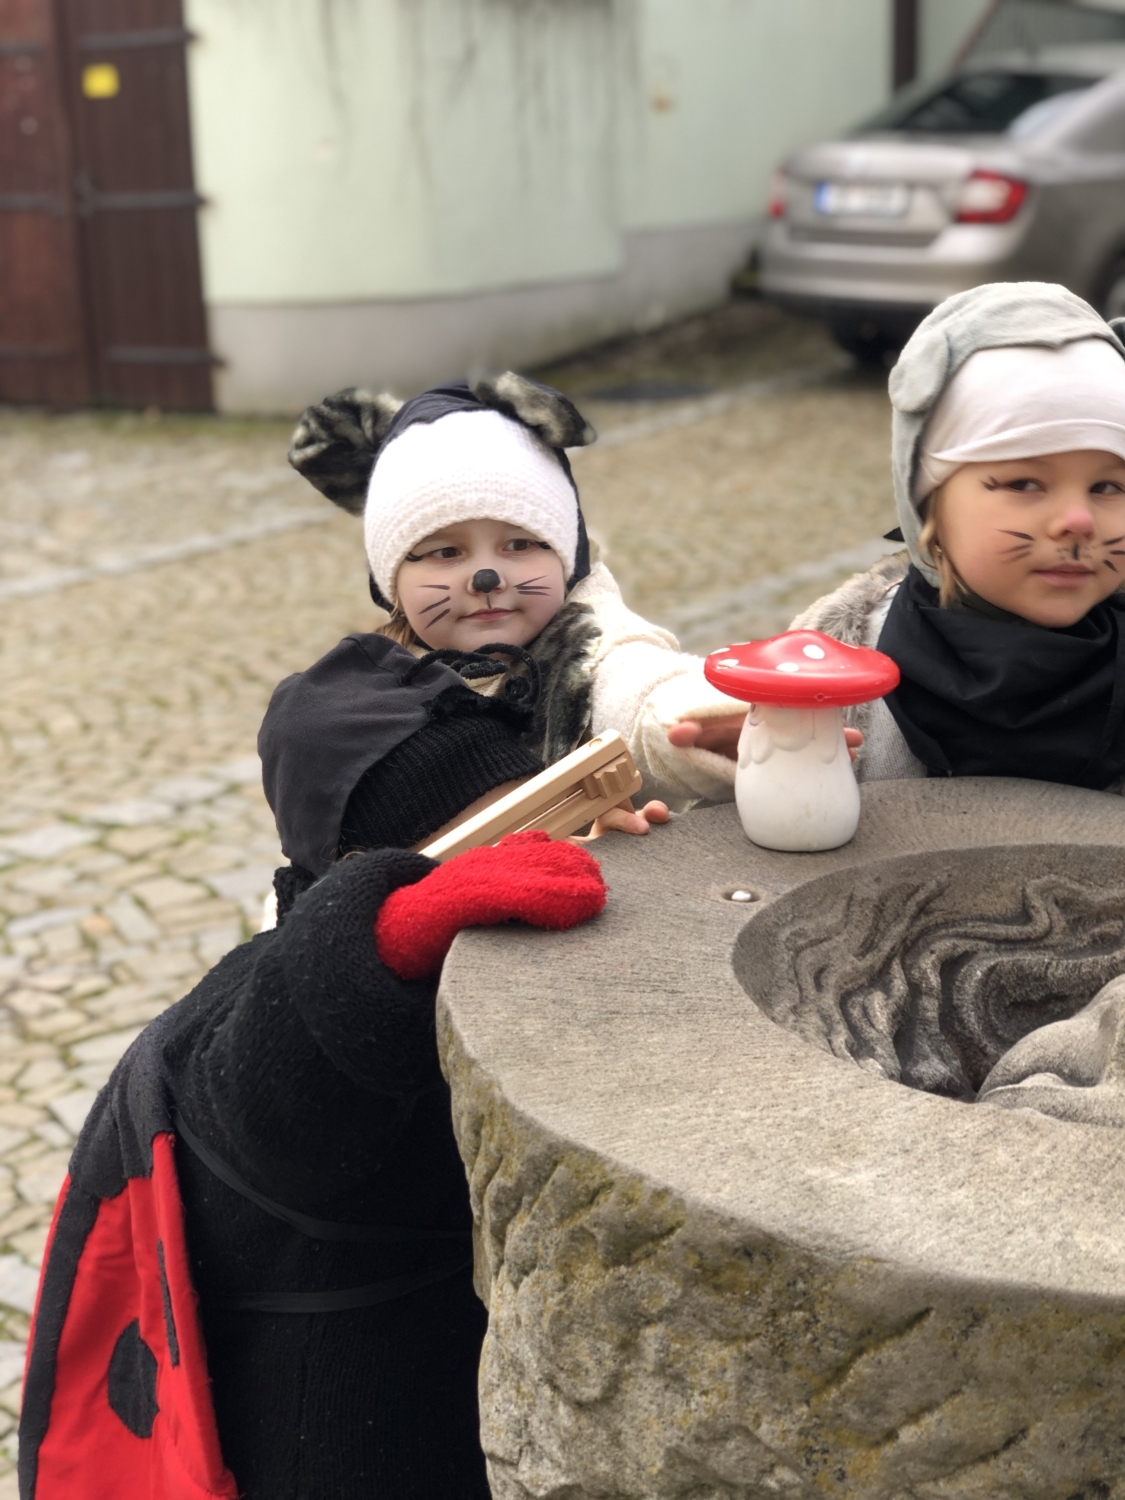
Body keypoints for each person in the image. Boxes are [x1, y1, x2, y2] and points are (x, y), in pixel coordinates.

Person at [19, 739, 609, 1499]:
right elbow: (266, 1101)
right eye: (506, 830)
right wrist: (391, 935)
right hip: (332, 1434)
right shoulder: (267, 999)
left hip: (440, 1384)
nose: (540, 850)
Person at [260, 373, 751, 909]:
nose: (487, 578)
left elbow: (637, 688)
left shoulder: (583, 644)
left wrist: (705, 719)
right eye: (446, 552)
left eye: (519, 544)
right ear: (391, 583)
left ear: (564, 557)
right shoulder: (380, 680)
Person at [791, 280, 1125, 790]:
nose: (1078, 520)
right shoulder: (836, 666)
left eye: (1108, 486)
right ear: (928, 506)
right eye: (1025, 483)